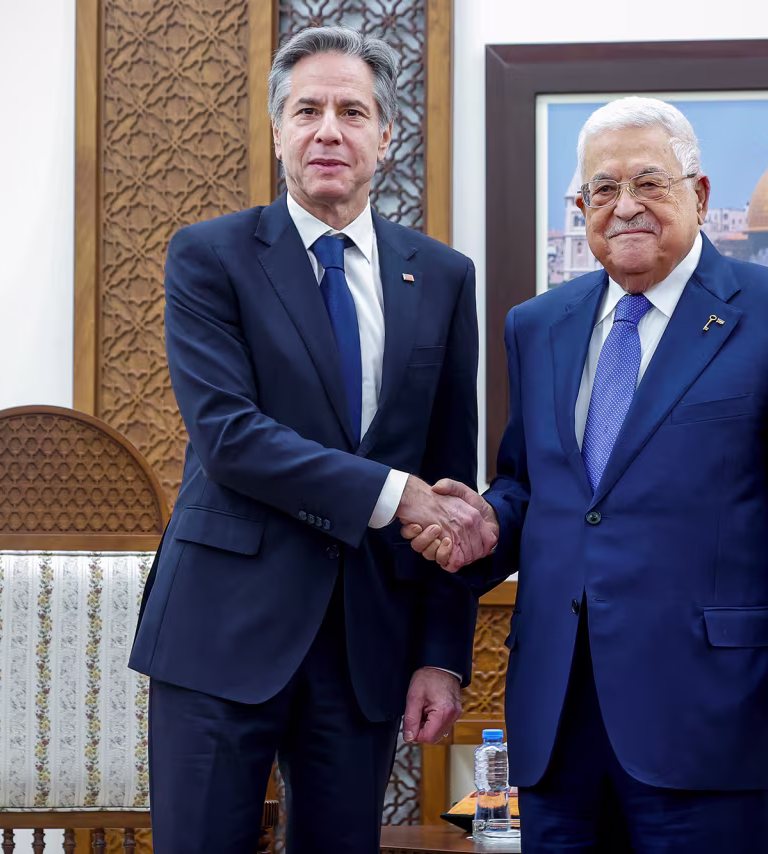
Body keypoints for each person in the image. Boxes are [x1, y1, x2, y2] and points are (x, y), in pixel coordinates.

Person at [405, 97, 768, 854]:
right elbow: (537, 488)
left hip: (715, 722)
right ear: (580, 206)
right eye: (602, 190)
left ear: (701, 194)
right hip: (559, 723)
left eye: (650, 184)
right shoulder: (538, 325)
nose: (625, 208)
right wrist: (487, 524)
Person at [129, 26, 494, 854]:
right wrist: (392, 492)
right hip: (220, 632)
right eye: (308, 110)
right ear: (277, 131)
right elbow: (229, 437)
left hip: (364, 644)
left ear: (386, 135)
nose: (329, 129)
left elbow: (449, 477)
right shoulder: (210, 256)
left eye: (352, 111)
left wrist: (442, 655)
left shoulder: (440, 276)